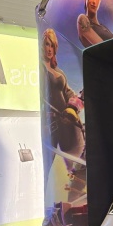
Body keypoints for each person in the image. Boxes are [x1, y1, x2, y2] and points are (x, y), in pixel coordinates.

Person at [42, 28, 85, 163]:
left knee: (72, 159)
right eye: (47, 44)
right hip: (51, 122)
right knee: (50, 160)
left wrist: (76, 103)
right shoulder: (40, 69)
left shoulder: (58, 71)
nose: (49, 49)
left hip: (66, 121)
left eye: (52, 45)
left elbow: (67, 92)